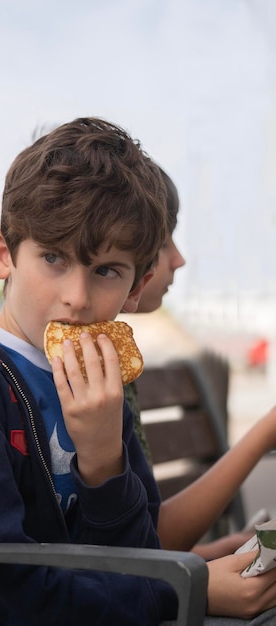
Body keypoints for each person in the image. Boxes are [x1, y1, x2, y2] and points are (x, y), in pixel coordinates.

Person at [0, 117, 276, 625]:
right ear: (3, 254)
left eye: (106, 271)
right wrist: (186, 592)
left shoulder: (99, 384)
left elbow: (137, 557)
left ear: (136, 288)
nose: (77, 298)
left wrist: (104, 462)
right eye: (53, 258)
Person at [125, 168, 271, 564]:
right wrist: (266, 432)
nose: (179, 259)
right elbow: (142, 547)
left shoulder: (115, 365)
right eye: (163, 240)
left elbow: (138, 540)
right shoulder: (94, 379)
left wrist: (210, 553)